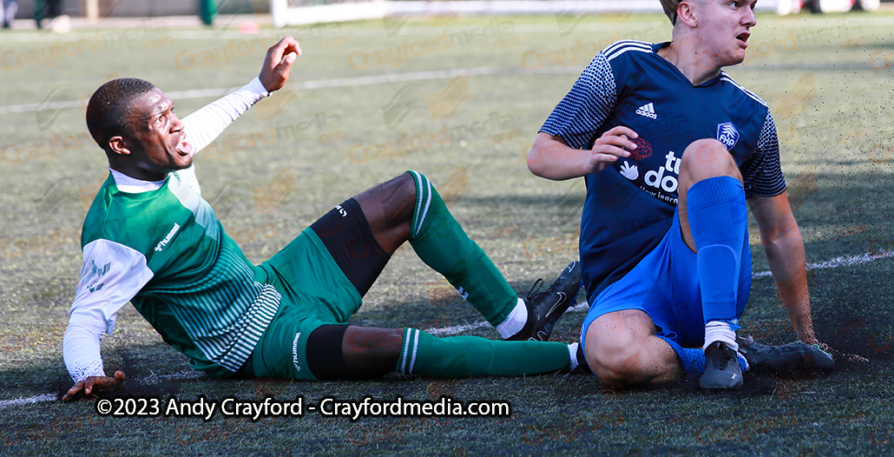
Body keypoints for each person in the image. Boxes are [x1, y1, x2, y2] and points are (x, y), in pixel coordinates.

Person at [63, 37, 583, 400]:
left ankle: (519, 323)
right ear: (121, 145)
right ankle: (576, 358)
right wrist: (88, 373)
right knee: (385, 347)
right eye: (160, 120)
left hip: (273, 285)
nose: (177, 125)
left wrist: (260, 86)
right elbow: (86, 317)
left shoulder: (166, 152)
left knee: (411, 193)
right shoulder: (119, 232)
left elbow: (198, 125)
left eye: (171, 110)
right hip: (252, 347)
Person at [527, 0, 834, 390]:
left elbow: (780, 231)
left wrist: (809, 338)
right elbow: (541, 154)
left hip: (703, 280)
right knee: (612, 356)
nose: (750, 18)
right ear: (687, 12)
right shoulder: (624, 65)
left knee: (706, 155)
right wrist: (588, 158)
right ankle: (736, 358)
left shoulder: (751, 116)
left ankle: (721, 337)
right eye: (735, 4)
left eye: (753, 7)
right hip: (624, 287)